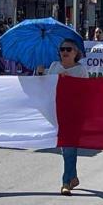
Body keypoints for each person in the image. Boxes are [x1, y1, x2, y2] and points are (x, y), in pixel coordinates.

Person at [37, 39, 88, 196]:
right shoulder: (54, 66)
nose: (65, 52)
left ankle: (66, 182)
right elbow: (43, 85)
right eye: (62, 49)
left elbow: (86, 91)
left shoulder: (80, 70)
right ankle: (72, 177)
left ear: (75, 53)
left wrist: (70, 81)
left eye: (69, 49)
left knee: (68, 147)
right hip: (56, 112)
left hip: (73, 113)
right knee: (66, 147)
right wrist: (40, 73)